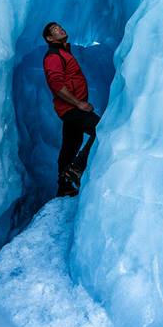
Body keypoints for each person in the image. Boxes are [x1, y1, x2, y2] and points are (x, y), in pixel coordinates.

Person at [42, 22, 101, 197]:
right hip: (72, 109)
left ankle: (64, 186)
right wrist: (78, 103)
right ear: (49, 38)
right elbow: (56, 84)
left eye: (59, 27)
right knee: (102, 129)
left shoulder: (63, 52)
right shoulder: (53, 56)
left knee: (70, 145)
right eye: (54, 30)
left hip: (71, 109)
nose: (59, 29)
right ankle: (77, 168)